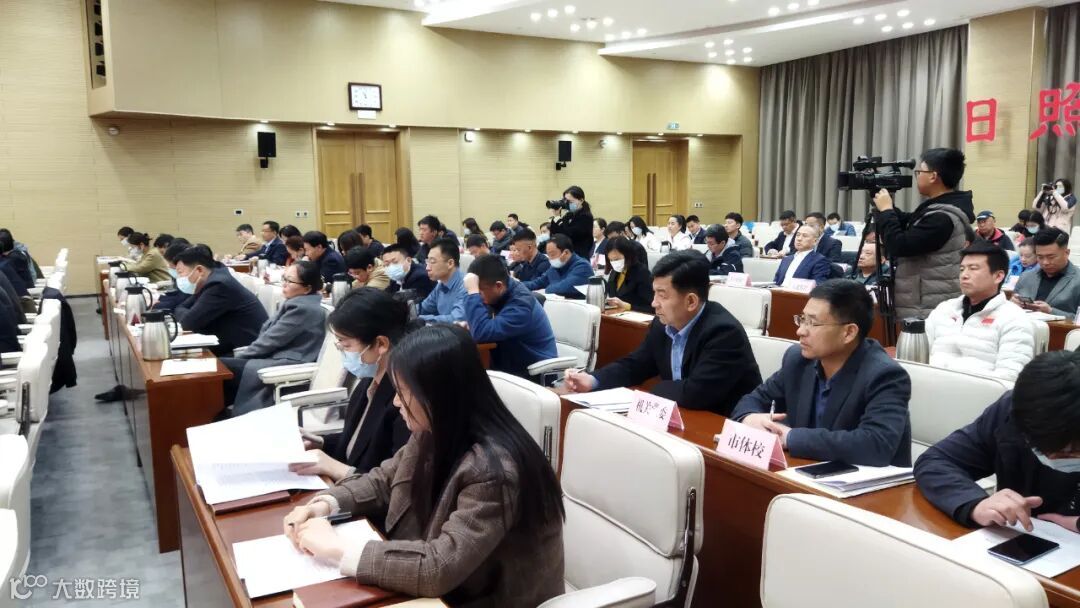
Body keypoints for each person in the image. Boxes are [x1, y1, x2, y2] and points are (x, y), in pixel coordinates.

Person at [283, 324, 565, 606]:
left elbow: (438, 567)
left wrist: (339, 550)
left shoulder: (494, 471)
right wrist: (325, 505)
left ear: (439, 395)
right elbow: (383, 481)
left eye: (403, 392)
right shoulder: (432, 431)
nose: (396, 402)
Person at [731, 280, 912, 466]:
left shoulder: (884, 375)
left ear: (849, 333)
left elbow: (876, 445)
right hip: (804, 471)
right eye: (802, 319)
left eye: (812, 323)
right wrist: (750, 418)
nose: (800, 331)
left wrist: (791, 437)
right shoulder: (798, 360)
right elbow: (752, 400)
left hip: (864, 480)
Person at [562, 250, 762, 415]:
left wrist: (646, 393)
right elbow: (637, 364)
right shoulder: (662, 323)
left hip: (721, 424)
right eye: (654, 293)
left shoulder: (724, 333)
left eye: (662, 295)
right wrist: (593, 380)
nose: (653, 303)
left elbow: (696, 393)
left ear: (691, 301)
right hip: (682, 414)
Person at [914, 351, 1080, 534]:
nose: (1052, 458)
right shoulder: (1015, 411)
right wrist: (975, 503)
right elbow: (935, 461)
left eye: (1069, 453)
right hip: (1018, 537)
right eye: (1038, 448)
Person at [289, 288, 413, 481]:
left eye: (346, 345)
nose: (342, 351)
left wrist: (336, 469)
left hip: (367, 496)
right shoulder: (369, 381)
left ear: (381, 344)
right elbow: (357, 444)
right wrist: (320, 442)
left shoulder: (405, 400)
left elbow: (397, 481)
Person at [873, 148, 975, 319]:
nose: (917, 176)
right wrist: (883, 205)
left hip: (928, 308)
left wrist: (887, 211)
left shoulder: (942, 217)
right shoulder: (941, 210)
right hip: (926, 300)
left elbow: (899, 245)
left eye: (920, 171)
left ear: (933, 176)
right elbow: (908, 222)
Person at [222, 261, 328, 415]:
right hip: (276, 355)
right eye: (284, 278)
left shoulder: (303, 309)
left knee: (221, 367)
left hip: (289, 361)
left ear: (307, 288)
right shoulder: (296, 302)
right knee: (222, 366)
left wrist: (241, 356)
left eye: (289, 281)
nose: (284, 284)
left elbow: (270, 341)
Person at [925, 241, 1034, 382]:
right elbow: (915, 357)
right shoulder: (945, 309)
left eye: (973, 268)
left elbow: (1010, 377)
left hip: (978, 392)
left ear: (998, 276)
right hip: (930, 385)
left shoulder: (1014, 318)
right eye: (962, 269)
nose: (964, 275)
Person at [463, 255, 558, 379]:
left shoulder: (521, 305)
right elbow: (482, 325)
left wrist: (473, 294)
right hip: (509, 366)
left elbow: (481, 333)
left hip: (532, 373)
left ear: (498, 286)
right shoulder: (498, 294)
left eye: (479, 292)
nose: (478, 297)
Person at [172, 245, 268, 356]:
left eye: (180, 273)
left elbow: (187, 323)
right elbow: (181, 309)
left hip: (246, 350)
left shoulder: (218, 285)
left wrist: (187, 314)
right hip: (229, 344)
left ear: (199, 270)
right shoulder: (209, 279)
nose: (179, 278)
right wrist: (187, 314)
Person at [1012, 228, 1080, 319]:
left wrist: (1051, 311)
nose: (1045, 262)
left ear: (1067, 253)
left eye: (1051, 257)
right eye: (1040, 257)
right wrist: (1012, 304)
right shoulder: (1026, 277)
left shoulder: (1077, 280)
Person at [523, 233, 593, 298]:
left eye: (552, 254)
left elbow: (563, 288)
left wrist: (546, 289)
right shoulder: (555, 266)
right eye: (548, 255)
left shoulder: (583, 266)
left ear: (566, 252)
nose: (550, 258)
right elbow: (537, 283)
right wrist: (518, 285)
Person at [418, 237, 467, 323]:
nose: (427, 268)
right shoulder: (441, 284)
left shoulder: (466, 285)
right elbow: (424, 308)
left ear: (450, 263)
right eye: (427, 261)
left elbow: (456, 319)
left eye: (432, 261)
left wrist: (420, 319)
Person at [604, 237, 654, 313]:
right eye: (611, 260)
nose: (614, 263)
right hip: (616, 315)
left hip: (636, 316)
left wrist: (627, 306)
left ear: (627, 255)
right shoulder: (615, 271)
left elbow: (652, 307)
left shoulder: (642, 273)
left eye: (617, 259)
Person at [548, 185, 594, 258]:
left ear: (581, 200)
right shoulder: (569, 215)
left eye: (570, 201)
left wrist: (558, 218)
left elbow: (569, 235)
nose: (567, 204)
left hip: (579, 256)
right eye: (566, 201)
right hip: (566, 255)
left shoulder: (586, 217)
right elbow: (555, 233)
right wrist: (555, 217)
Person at [153, 240, 193, 312]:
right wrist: (158, 297)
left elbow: (180, 303)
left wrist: (155, 305)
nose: (169, 267)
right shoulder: (185, 277)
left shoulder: (190, 280)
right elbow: (179, 297)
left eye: (170, 265)